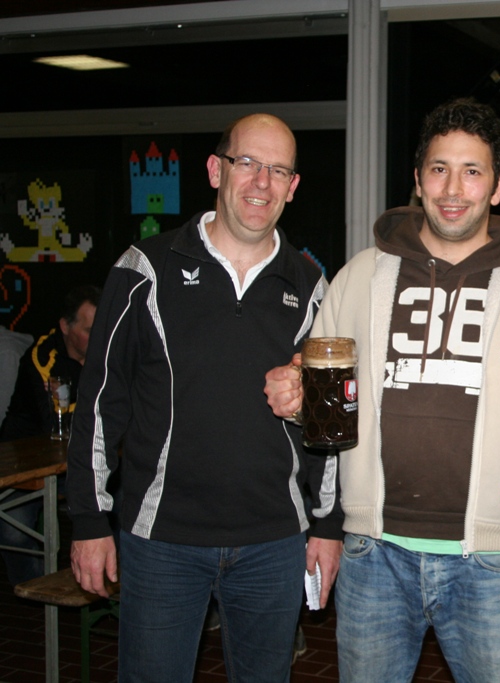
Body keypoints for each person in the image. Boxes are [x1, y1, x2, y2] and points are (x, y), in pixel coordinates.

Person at [264, 97, 500, 683]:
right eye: (439, 169)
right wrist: (296, 397)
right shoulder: (359, 275)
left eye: (472, 171)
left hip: (491, 557)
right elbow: (319, 385)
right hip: (374, 554)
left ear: (498, 186)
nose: (453, 189)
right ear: (417, 180)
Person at [66, 113, 344, 683]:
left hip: (275, 542)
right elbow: (100, 404)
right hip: (161, 542)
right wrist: (90, 521)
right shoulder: (145, 270)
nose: (261, 182)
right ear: (217, 170)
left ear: (293, 187)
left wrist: (327, 525)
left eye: (278, 170)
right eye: (248, 163)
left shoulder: (313, 287)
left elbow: (329, 424)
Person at [0, 285, 99, 588]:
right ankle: (39, 593)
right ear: (65, 327)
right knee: (13, 531)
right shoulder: (43, 356)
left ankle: (119, 588)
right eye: (89, 330)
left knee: (128, 505)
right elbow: (56, 425)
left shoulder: (110, 351)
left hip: (80, 460)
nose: (100, 335)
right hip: (24, 459)